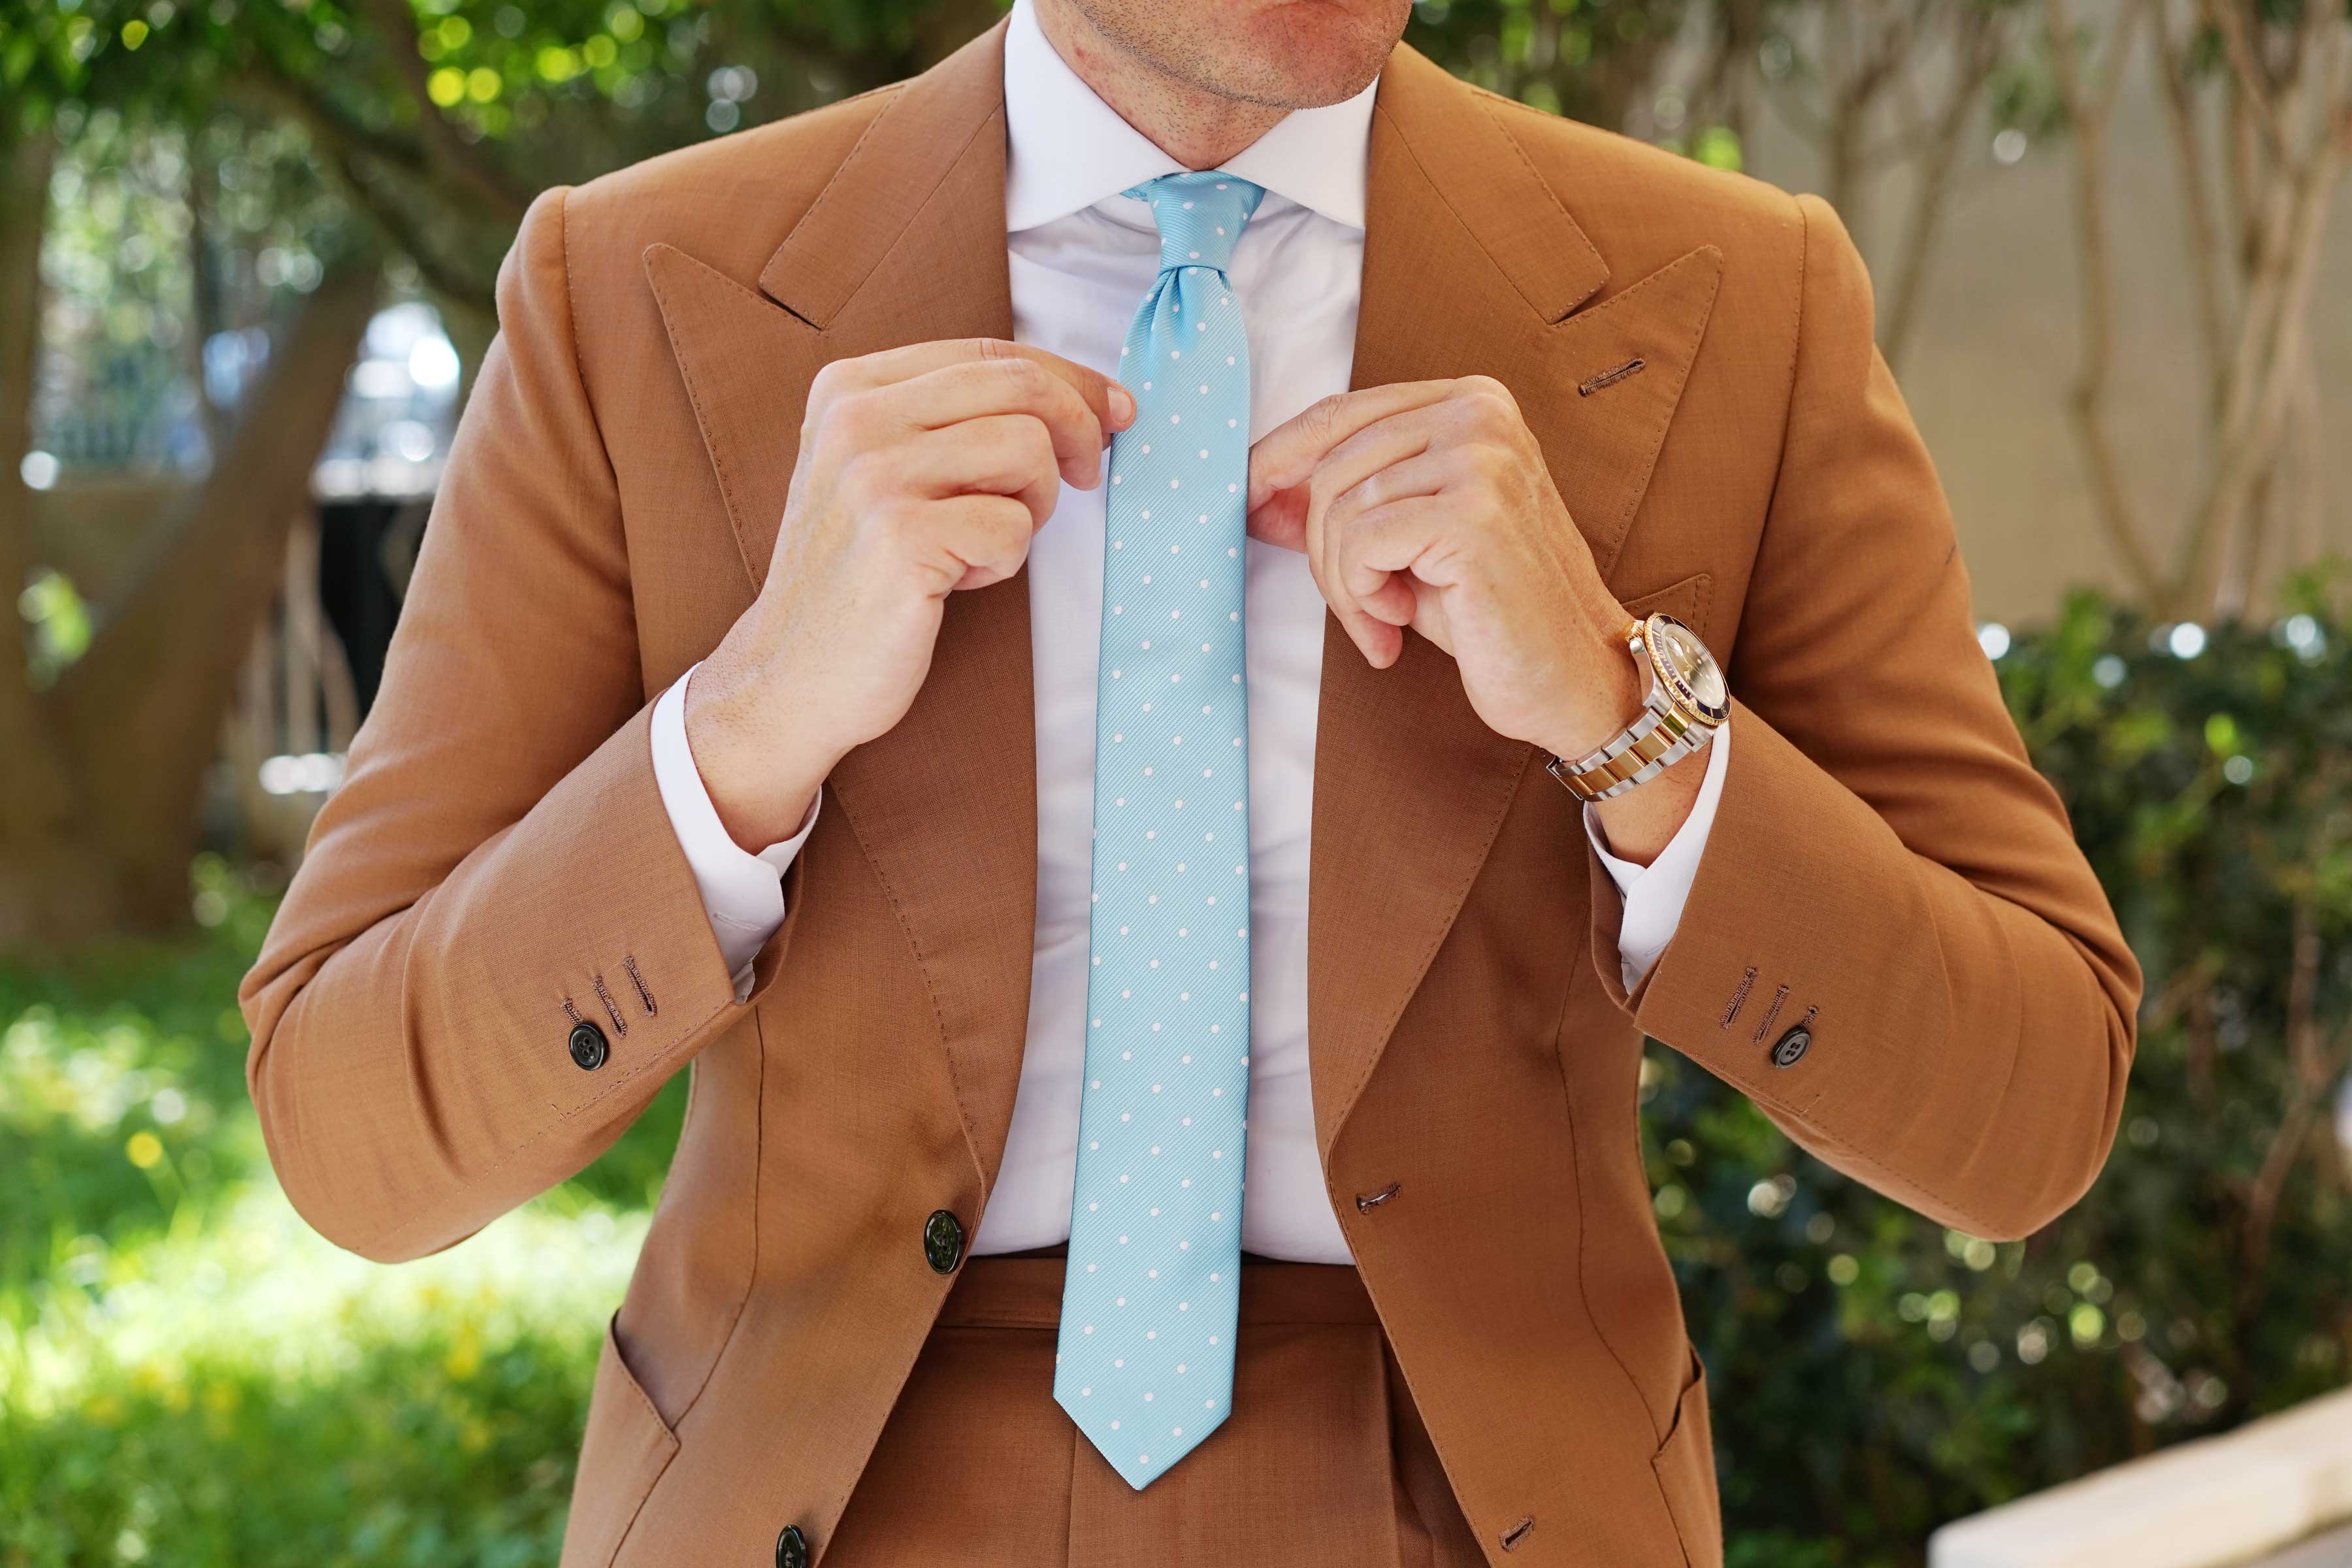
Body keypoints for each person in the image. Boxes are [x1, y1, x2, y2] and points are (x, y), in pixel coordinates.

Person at [238, 1, 2142, 1563]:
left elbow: (2031, 1106)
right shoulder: (633, 287)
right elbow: (353, 1126)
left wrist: (1629, 719)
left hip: (1478, 1497)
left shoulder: (1739, 298)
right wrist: (742, 730)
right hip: (826, 1492)